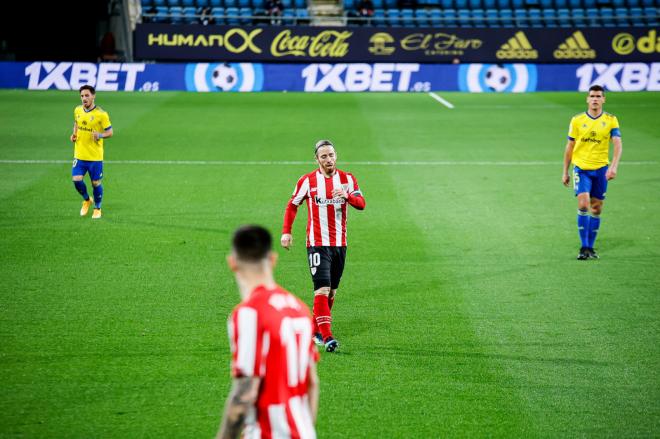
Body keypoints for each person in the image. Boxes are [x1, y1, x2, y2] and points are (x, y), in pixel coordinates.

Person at [217, 225, 319, 439]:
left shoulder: (248, 313)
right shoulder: (299, 308)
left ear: (232, 263)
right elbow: (312, 384)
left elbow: (244, 394)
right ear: (273, 259)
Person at [280, 140, 366, 352]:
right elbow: (292, 205)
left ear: (336, 156)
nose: (329, 160)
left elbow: (361, 204)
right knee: (322, 289)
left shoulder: (347, 179)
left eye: (332, 155)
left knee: (331, 292)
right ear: (317, 159)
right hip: (317, 244)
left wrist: (346, 196)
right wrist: (286, 232)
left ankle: (313, 330)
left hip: (340, 244)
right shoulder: (307, 181)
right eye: (324, 156)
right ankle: (327, 337)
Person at [562, 84, 622, 260]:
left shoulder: (611, 120)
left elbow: (617, 144)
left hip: (601, 169)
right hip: (581, 169)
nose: (595, 99)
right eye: (592, 96)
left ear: (603, 99)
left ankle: (591, 247)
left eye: (598, 96)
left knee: (596, 209)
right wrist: (565, 171)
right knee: (583, 204)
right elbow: (570, 146)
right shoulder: (577, 120)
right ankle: (583, 247)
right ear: (587, 99)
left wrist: (614, 166)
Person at [70, 85, 113, 219]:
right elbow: (76, 123)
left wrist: (99, 135)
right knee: (76, 180)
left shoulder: (101, 114)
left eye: (87, 95)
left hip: (95, 157)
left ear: (93, 96)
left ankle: (97, 208)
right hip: (80, 155)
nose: (84, 98)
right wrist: (74, 134)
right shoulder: (77, 110)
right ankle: (87, 199)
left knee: (96, 183)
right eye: (82, 96)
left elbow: (110, 132)